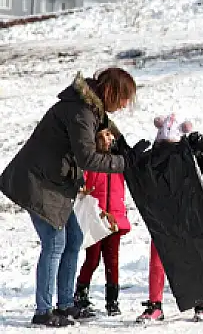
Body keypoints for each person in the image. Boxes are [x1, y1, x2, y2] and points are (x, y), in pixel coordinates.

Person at [0, 68, 145, 327]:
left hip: (54, 181)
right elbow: (86, 157)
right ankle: (43, 311)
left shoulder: (91, 109)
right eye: (123, 97)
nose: (125, 104)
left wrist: (127, 149)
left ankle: (66, 304)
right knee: (55, 243)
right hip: (37, 181)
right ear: (110, 91)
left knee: (74, 238)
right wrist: (125, 162)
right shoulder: (81, 112)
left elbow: (108, 131)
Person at [131, 114, 203, 322]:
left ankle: (201, 303)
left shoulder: (189, 152)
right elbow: (138, 177)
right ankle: (155, 305)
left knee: (195, 255)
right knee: (159, 257)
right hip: (165, 216)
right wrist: (132, 158)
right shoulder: (152, 157)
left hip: (192, 213)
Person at [73, 128, 131, 317]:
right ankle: (81, 294)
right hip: (96, 219)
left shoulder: (117, 162)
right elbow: (84, 187)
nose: (109, 139)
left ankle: (112, 301)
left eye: (110, 135)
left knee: (112, 261)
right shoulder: (92, 163)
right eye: (105, 135)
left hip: (114, 220)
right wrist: (83, 188)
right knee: (93, 258)